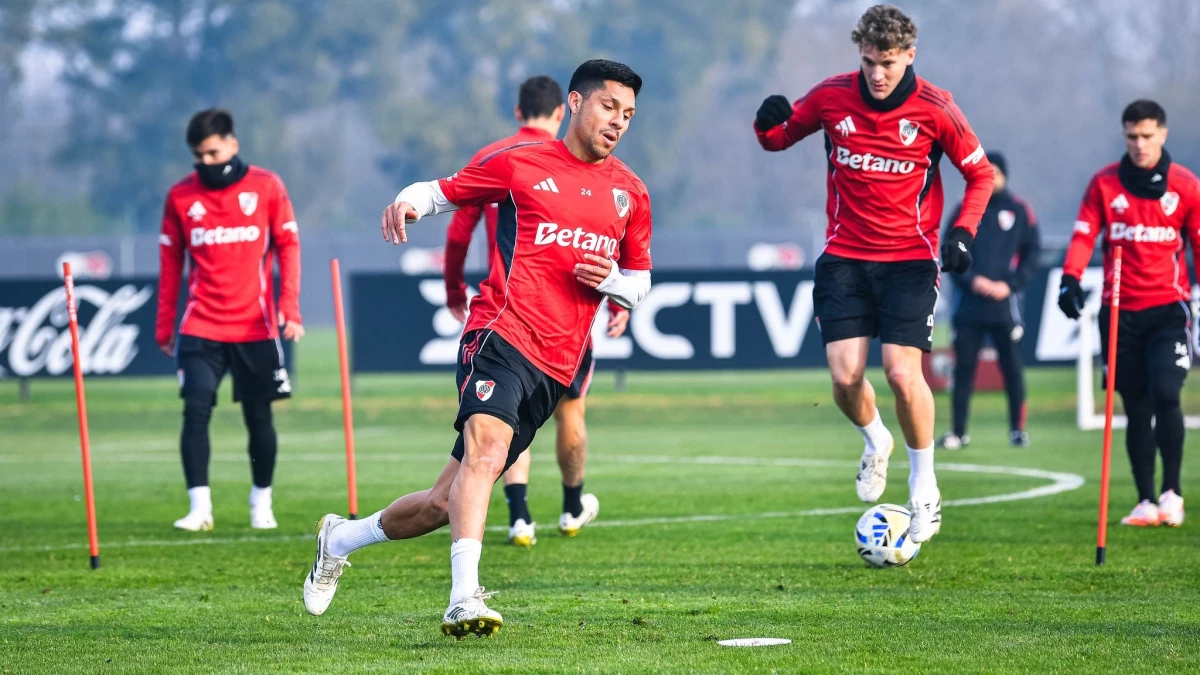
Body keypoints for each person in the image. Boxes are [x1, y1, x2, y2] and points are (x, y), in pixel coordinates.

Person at [303, 60, 652, 638]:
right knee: (489, 448)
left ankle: (340, 538)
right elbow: (445, 191)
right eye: (609, 107)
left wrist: (612, 281)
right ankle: (464, 598)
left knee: (445, 502)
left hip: (556, 363)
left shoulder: (631, 193)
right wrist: (409, 202)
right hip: (499, 332)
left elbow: (639, 280)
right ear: (574, 102)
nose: (618, 122)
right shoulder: (521, 163)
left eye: (629, 115)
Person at [754, 4, 992, 543]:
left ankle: (924, 487)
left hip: (910, 259)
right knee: (844, 378)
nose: (877, 74)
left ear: (909, 56)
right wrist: (765, 123)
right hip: (844, 258)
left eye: (887, 62)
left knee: (905, 376)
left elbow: (980, 175)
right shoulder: (832, 96)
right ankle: (875, 440)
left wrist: (964, 232)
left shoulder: (937, 109)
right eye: (868, 62)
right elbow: (779, 137)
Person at [443, 75, 630, 547]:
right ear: (561, 110)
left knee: (501, 421)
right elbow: (596, 245)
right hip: (553, 318)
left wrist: (452, 288)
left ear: (517, 110)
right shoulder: (564, 164)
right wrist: (616, 294)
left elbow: (460, 228)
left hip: (505, 306)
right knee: (568, 410)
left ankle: (520, 516)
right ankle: (571, 506)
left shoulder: (496, 155)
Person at [156, 109, 304, 532]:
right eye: (198, 155)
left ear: (232, 145)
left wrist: (289, 306)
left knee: (259, 417)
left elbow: (289, 247)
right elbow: (170, 265)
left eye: (212, 152)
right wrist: (164, 325)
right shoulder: (180, 196)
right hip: (200, 327)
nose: (205, 162)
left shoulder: (266, 186)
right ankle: (199, 510)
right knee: (195, 410)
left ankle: (261, 504)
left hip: (255, 327)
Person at [1059, 99, 1200, 528]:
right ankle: (1144, 500)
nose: (1139, 144)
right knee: (1135, 408)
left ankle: (1171, 493)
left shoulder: (1186, 185)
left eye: (1147, 135)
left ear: (1163, 134)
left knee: (1166, 392)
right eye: (1131, 137)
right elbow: (1085, 234)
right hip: (1119, 311)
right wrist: (1070, 277)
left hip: (1168, 309)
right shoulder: (1105, 184)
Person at [939, 152, 1040, 450]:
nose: (991, 178)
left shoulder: (1019, 210)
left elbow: (1032, 254)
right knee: (964, 372)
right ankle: (958, 432)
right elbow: (949, 252)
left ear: (1005, 176)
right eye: (987, 172)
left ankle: (1017, 430)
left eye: (996, 173)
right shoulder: (964, 209)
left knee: (1012, 369)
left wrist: (1009, 285)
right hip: (968, 306)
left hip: (1003, 306)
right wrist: (972, 281)